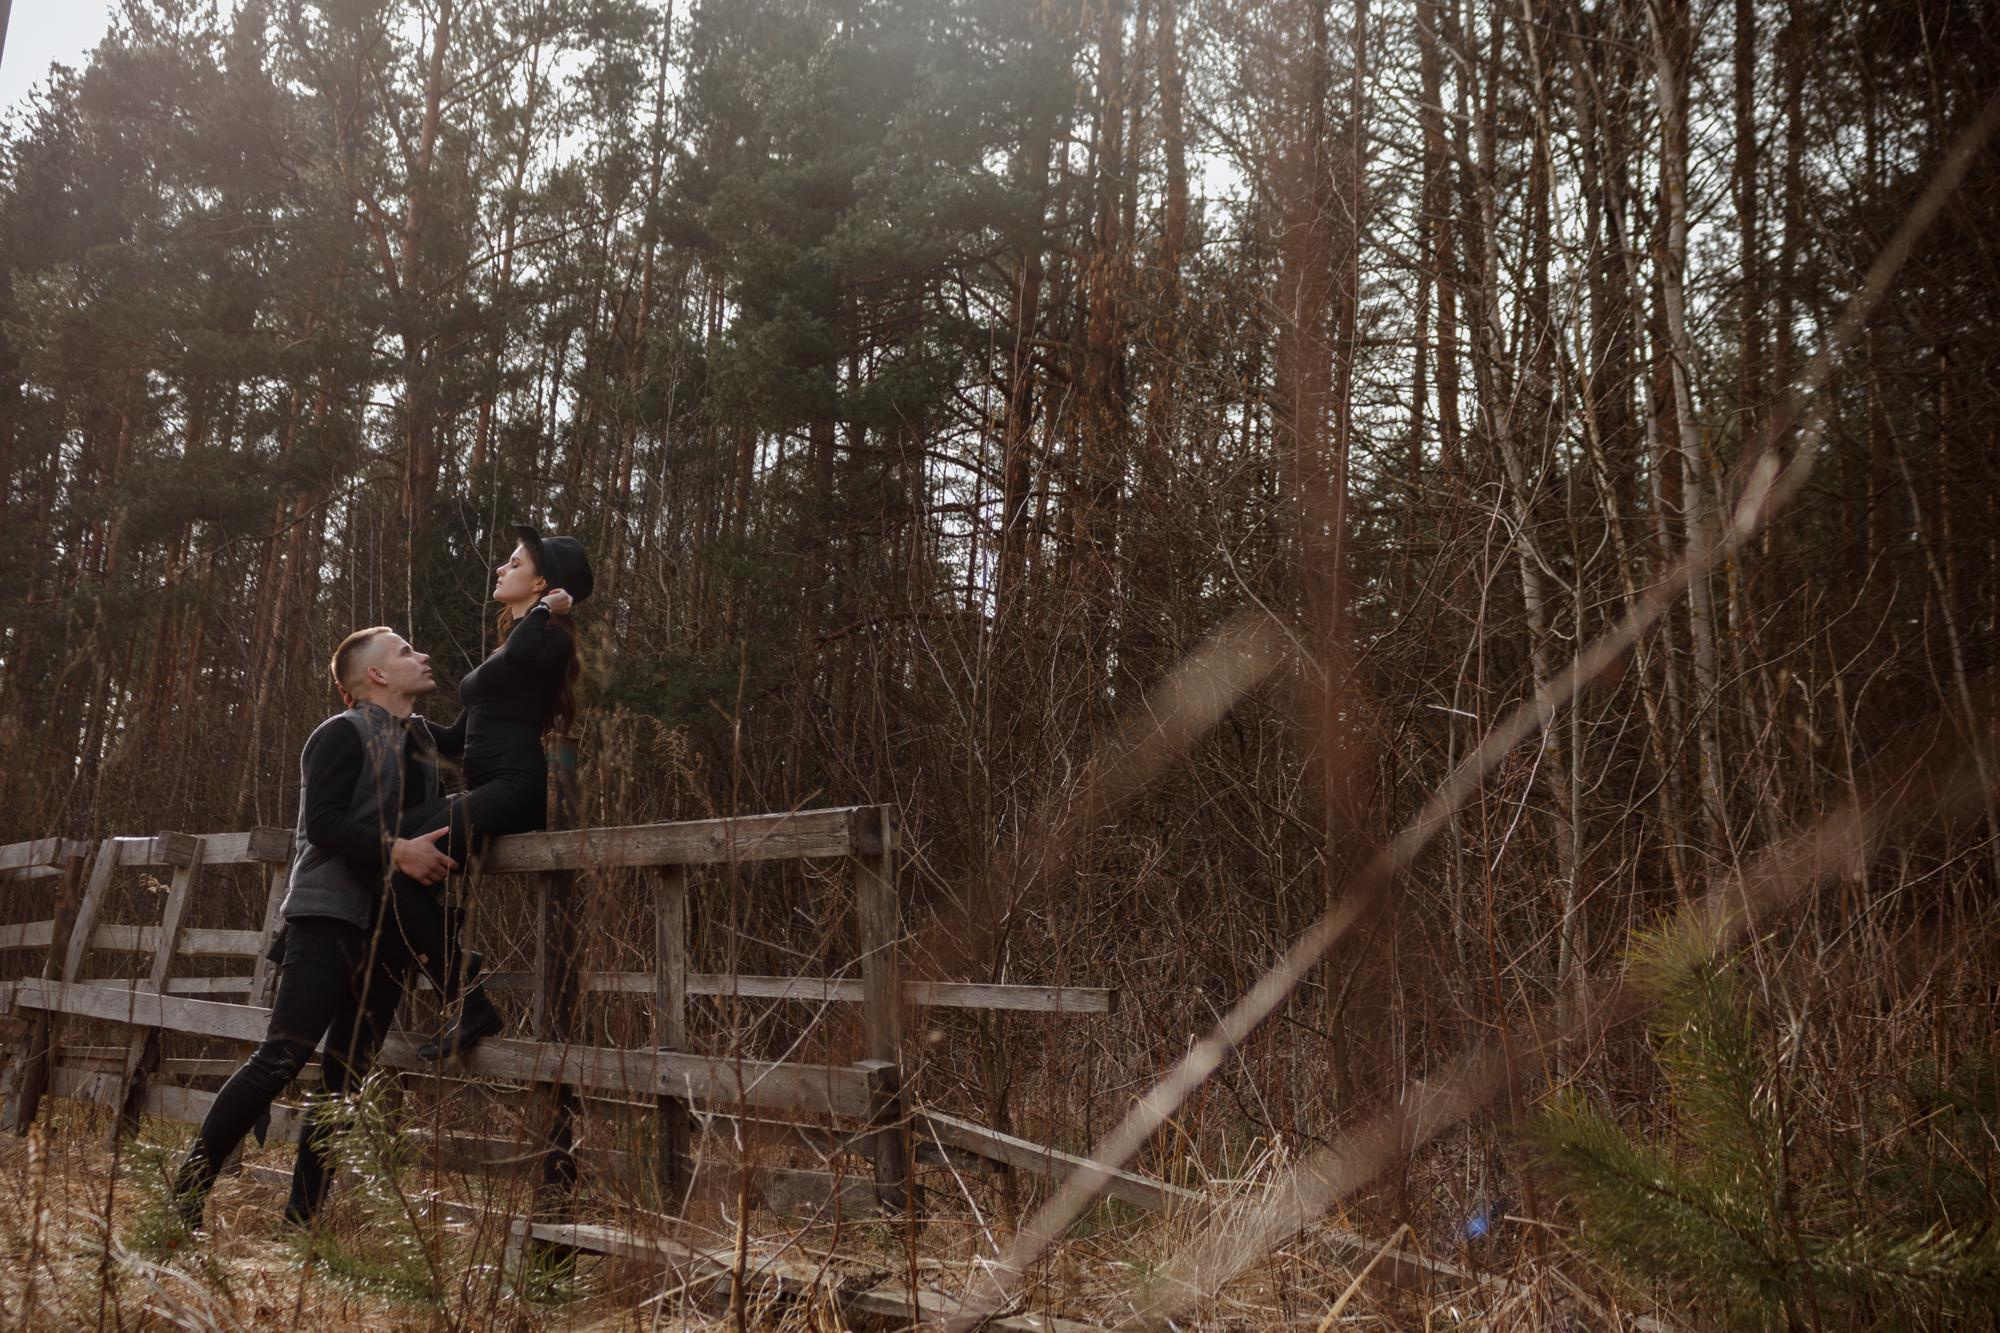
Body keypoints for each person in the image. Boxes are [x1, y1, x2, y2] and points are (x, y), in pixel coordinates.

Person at [172, 627, 457, 1230]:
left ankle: (301, 1223)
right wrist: (398, 850)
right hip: (327, 918)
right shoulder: (339, 733)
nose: (422, 654)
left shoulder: (423, 744)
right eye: (406, 651)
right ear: (375, 676)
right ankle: (185, 1200)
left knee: (345, 1080)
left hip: (392, 931)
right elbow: (324, 824)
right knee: (281, 1058)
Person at [391, 525, 592, 1059]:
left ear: (543, 582)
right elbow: (458, 740)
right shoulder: (515, 644)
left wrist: (552, 609)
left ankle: (467, 996)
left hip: (517, 788)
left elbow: (526, 649)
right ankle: (463, 983)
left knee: (403, 856)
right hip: (482, 788)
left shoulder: (549, 638)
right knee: (393, 853)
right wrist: (394, 717)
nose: (500, 570)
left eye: (513, 563)